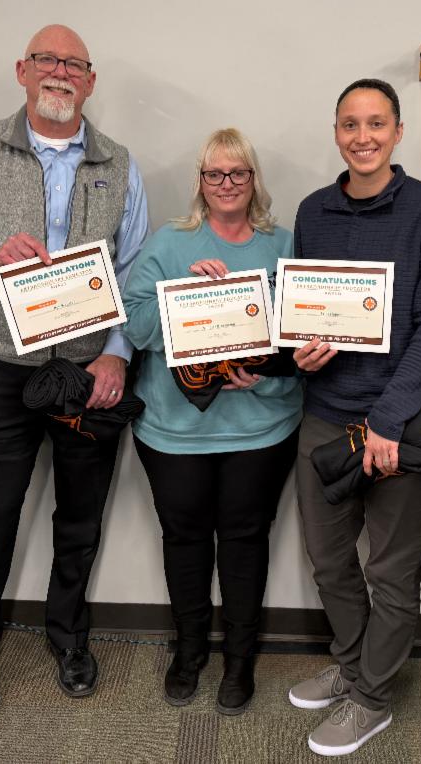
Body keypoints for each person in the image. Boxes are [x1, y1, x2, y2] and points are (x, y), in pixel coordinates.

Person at [0, 24, 149, 712]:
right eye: (47, 60)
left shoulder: (119, 162)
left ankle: (70, 637)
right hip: (3, 368)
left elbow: (134, 270)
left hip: (88, 372)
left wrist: (117, 354)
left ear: (89, 80)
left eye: (73, 64)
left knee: (80, 520)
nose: (59, 72)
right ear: (23, 70)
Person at [287, 79, 421, 756]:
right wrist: (300, 353)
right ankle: (354, 662)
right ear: (336, 132)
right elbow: (307, 308)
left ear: (397, 132)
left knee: (391, 573)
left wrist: (389, 419)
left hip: (401, 425)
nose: (362, 136)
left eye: (376, 124)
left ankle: (371, 698)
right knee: (330, 563)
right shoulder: (314, 210)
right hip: (325, 417)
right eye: (350, 124)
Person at [122, 129, 303, 715]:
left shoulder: (283, 245)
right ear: (200, 182)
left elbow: (303, 338)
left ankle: (240, 659)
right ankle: (190, 649)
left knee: (247, 542)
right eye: (214, 174)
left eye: (238, 174)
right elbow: (137, 326)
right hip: (175, 432)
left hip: (261, 426)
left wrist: (268, 374)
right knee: (185, 540)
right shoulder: (169, 245)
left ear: (254, 180)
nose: (226, 184)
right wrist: (182, 296)